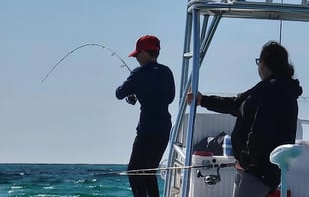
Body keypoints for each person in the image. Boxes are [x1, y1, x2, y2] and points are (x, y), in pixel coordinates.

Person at [187, 41, 302, 197]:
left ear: (263, 63)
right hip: (258, 169)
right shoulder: (274, 89)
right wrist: (204, 100)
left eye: (258, 61)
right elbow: (237, 104)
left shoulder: (271, 91)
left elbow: (261, 133)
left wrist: (245, 161)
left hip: (257, 170)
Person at [116, 35, 175, 197]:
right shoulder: (167, 72)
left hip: (147, 130)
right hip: (164, 129)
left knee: (134, 172)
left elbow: (120, 93)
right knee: (149, 172)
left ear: (143, 53)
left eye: (136, 55)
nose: (136, 58)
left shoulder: (138, 73)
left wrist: (136, 91)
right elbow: (170, 97)